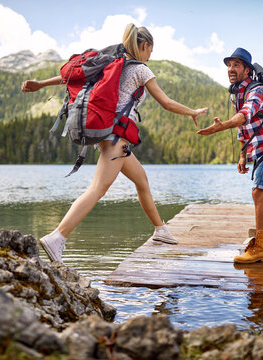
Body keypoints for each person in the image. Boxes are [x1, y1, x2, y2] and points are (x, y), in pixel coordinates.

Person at [21, 23, 208, 263]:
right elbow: (166, 102)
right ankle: (57, 237)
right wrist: (191, 111)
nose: (151, 55)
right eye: (151, 50)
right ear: (144, 46)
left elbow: (71, 76)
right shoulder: (141, 70)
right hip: (116, 138)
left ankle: (160, 230)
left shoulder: (111, 63)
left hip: (112, 137)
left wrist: (40, 84)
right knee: (97, 189)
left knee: (141, 179)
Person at [197, 47, 263, 263]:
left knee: (258, 192)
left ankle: (259, 247)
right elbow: (243, 128)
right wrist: (242, 155)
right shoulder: (237, 93)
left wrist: (221, 126)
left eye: (236, 65)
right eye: (229, 65)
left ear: (247, 69)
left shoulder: (257, 90)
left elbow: (245, 115)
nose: (231, 69)